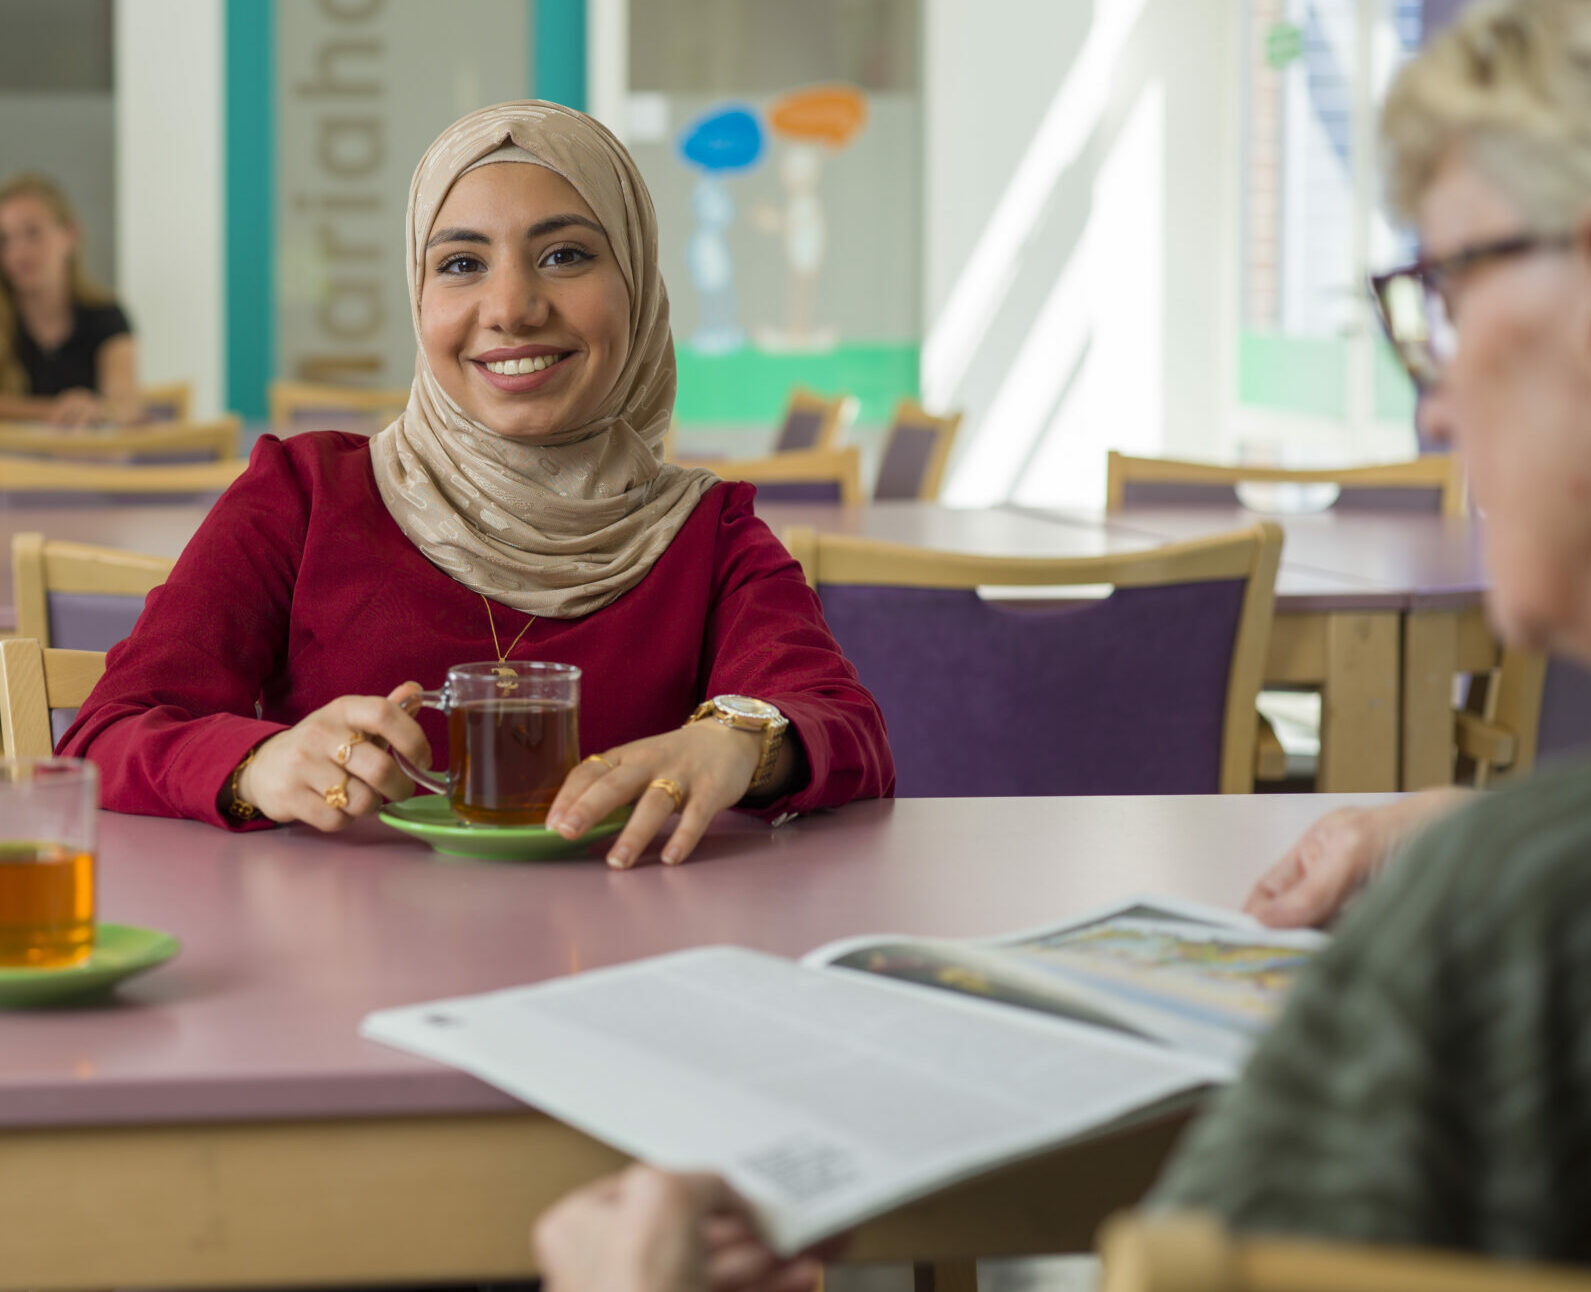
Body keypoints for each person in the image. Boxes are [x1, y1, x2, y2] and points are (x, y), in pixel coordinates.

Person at [525, 0, 1591, 1280]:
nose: (1434, 389)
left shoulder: (1508, 923)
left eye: (1447, 291)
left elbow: (832, 709)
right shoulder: (1508, 877)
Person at [60, 101, 893, 868]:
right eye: (461, 263)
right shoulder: (304, 495)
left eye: (565, 255)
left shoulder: (705, 533)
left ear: (638, 286)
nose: (511, 307)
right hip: (336, 977)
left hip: (622, 977)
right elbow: (108, 732)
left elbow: (845, 729)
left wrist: (739, 741)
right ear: (418, 298)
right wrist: (257, 764)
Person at [0, 171, 140, 425]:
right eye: (5, 240)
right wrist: (58, 410)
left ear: (70, 234)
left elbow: (124, 397)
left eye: (33, 233)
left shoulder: (105, 314)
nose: (18, 252)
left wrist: (105, 411)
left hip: (87, 461)